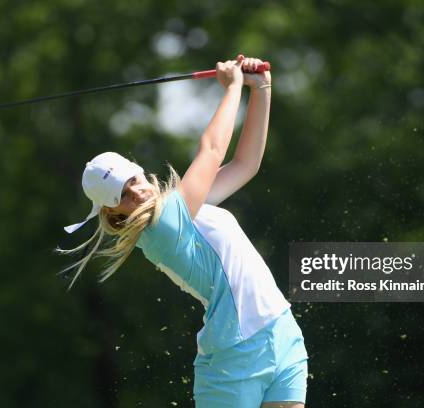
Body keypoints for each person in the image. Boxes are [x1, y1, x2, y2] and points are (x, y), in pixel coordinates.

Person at [59, 55, 308, 408]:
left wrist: (261, 88)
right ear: (112, 213)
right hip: (232, 358)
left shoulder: (183, 207)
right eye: (122, 198)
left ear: (139, 170)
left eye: (132, 182)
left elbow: (244, 164)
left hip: (281, 332)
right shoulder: (162, 225)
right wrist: (233, 87)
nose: (136, 194)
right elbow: (211, 148)